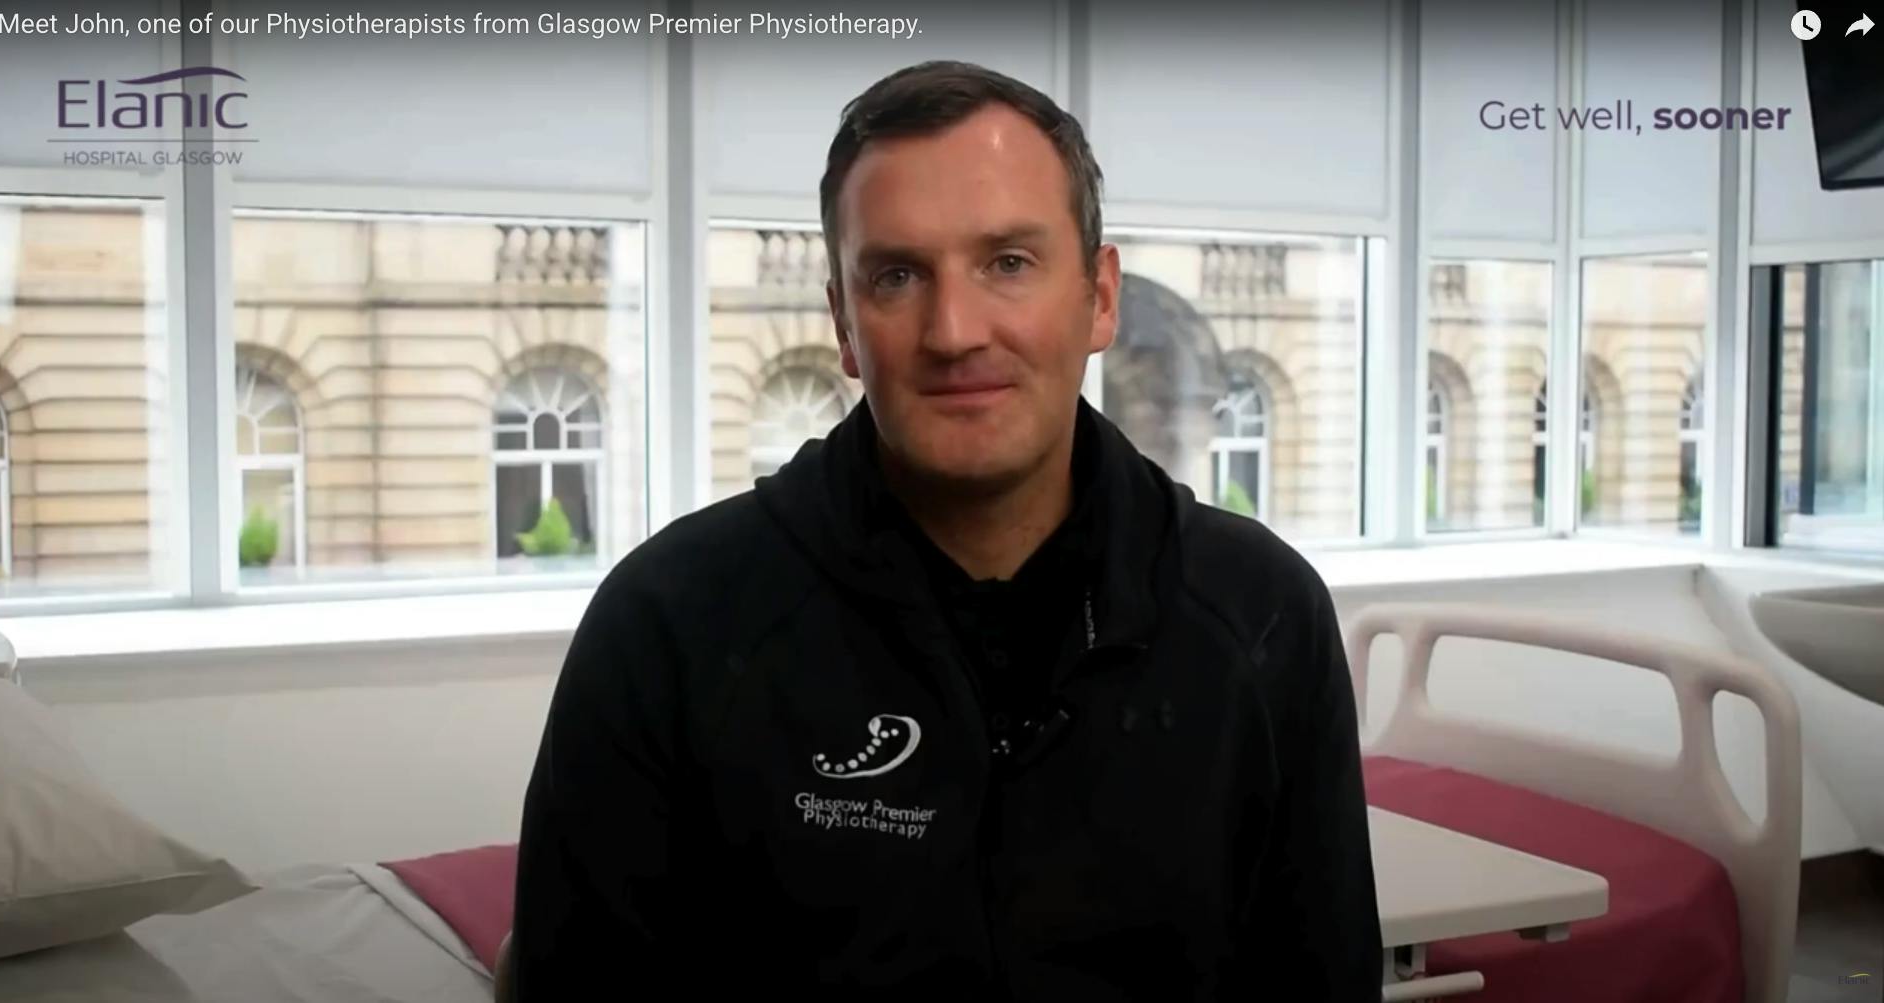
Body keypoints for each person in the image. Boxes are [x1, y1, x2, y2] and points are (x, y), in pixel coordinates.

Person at [505, 59, 1381, 1000]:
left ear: (1099, 297)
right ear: (845, 325)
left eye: (1009, 262)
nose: (955, 330)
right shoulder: (669, 623)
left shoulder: (1260, 618)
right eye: (896, 275)